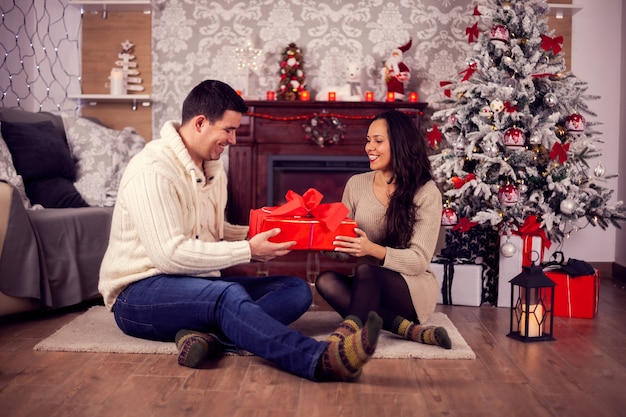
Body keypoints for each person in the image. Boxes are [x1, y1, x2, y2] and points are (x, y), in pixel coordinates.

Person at [98, 79, 382, 382]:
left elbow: (216, 231)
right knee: (227, 295)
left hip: (196, 285)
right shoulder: (153, 170)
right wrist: (249, 250)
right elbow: (169, 255)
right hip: (139, 295)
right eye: (228, 130)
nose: (233, 140)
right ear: (200, 123)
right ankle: (319, 359)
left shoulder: (212, 167)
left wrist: (277, 232)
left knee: (295, 290)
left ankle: (206, 338)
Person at [315, 110, 451, 350]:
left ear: (399, 144)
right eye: (368, 140)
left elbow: (419, 261)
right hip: (367, 283)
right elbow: (344, 245)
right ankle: (410, 331)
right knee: (326, 281)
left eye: (378, 141)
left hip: (411, 288)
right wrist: (319, 238)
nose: (369, 147)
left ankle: (347, 333)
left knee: (366, 270)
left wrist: (372, 249)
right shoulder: (356, 184)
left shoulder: (426, 192)